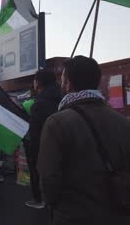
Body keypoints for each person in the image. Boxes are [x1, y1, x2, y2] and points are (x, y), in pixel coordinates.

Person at [38, 56, 130, 225]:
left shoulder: (57, 123)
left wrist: (53, 205)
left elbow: (49, 178)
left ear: (68, 84)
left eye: (63, 80)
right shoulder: (122, 121)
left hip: (73, 216)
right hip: (118, 214)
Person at [25, 69, 61, 209]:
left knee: (39, 174)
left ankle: (39, 200)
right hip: (62, 148)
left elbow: (36, 133)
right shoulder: (62, 98)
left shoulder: (38, 104)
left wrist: (32, 155)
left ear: (38, 83)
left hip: (43, 148)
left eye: (34, 80)